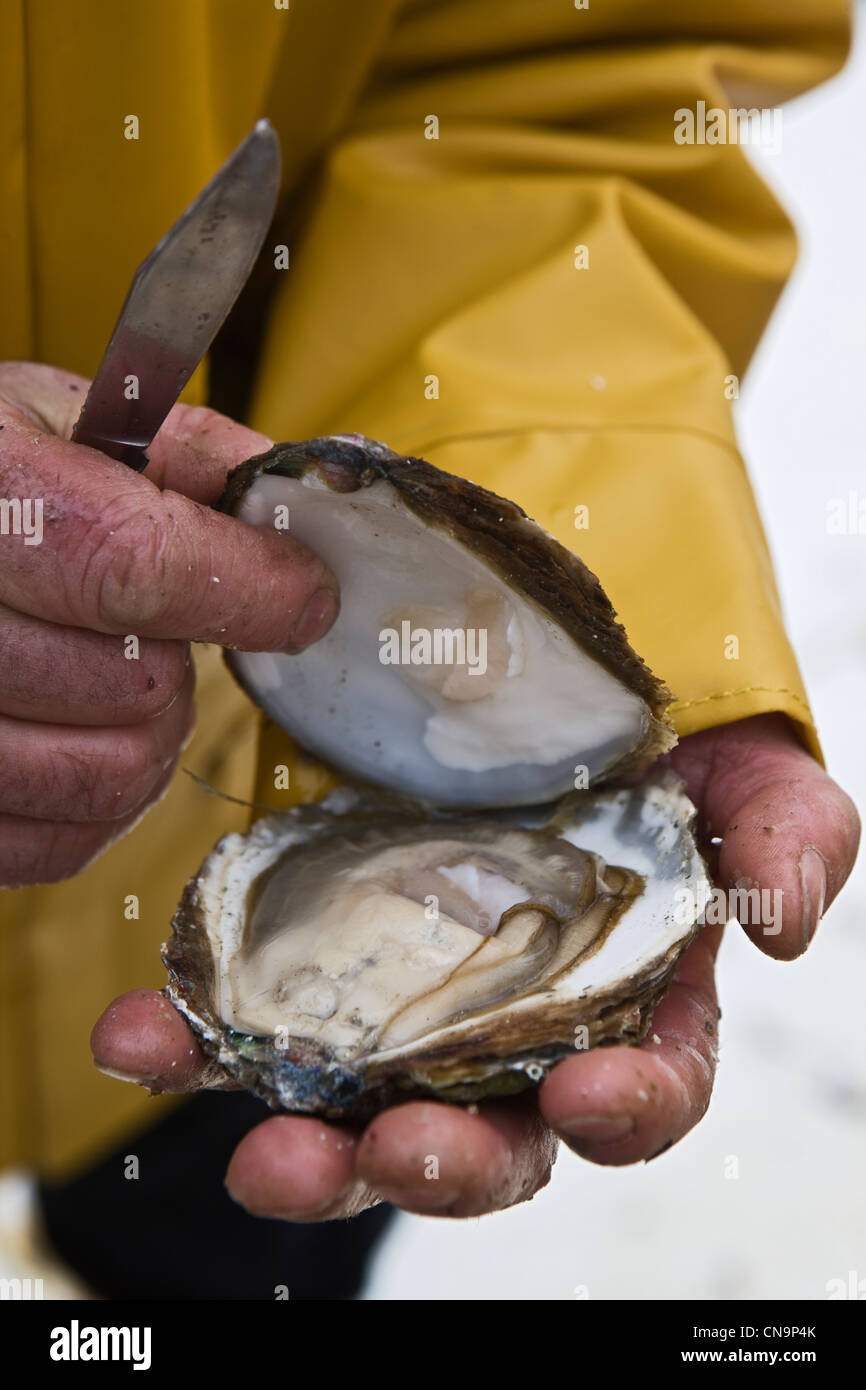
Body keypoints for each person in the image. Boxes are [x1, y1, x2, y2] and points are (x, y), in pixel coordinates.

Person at [0, 0, 859, 1296]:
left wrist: (568, 560)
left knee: (210, 1248)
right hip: (228, 761)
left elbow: (564, 74)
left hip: (207, 820)